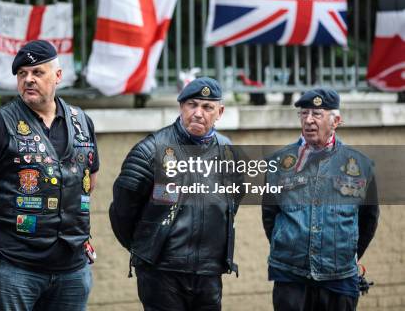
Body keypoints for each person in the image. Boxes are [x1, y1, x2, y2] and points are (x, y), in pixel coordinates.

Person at [0, 40, 99, 310]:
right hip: (16, 267)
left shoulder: (81, 121)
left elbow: (88, 181)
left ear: (58, 76)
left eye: (37, 72)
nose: (29, 80)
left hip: (72, 268)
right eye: (22, 74)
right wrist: (10, 223)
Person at [110, 77, 243, 311]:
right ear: (181, 106)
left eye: (207, 107)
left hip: (208, 273)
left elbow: (232, 202)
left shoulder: (229, 153)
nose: (199, 113)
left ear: (219, 112)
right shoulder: (150, 150)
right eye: (192, 105)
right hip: (161, 272)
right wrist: (146, 249)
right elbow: (122, 210)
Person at [262, 88, 380, 311]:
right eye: (304, 113)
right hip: (291, 278)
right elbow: (270, 216)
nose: (308, 120)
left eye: (317, 114)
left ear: (336, 121)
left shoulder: (360, 165)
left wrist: (341, 255)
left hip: (339, 280)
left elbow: (368, 220)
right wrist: (293, 246)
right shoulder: (279, 163)